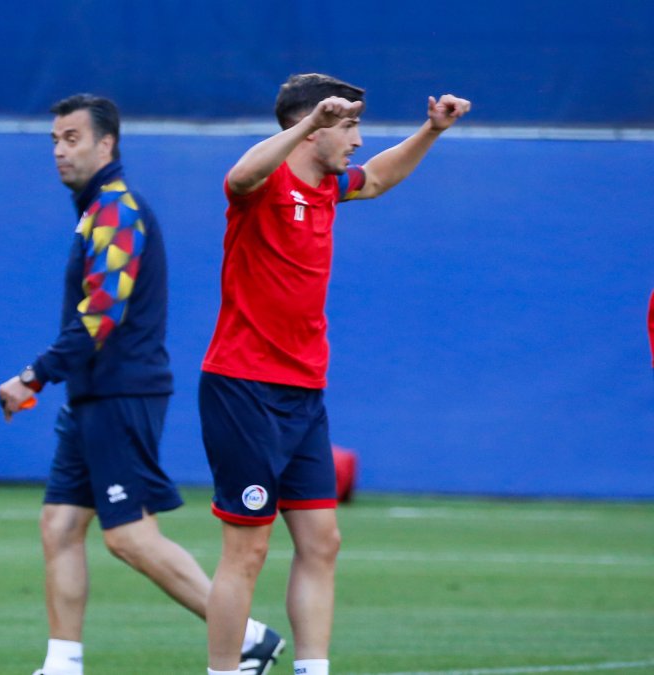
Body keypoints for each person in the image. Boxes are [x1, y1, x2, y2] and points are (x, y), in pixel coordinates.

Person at [0, 94, 285, 675]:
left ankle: (249, 636)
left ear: (107, 144)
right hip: (91, 394)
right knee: (59, 524)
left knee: (128, 537)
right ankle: (63, 662)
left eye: (71, 138)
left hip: (122, 393)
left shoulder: (116, 210)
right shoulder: (94, 210)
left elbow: (102, 313)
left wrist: (33, 375)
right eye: (54, 139)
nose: (59, 150)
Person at [198, 73, 471, 675]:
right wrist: (310, 124)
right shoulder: (264, 183)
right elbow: (237, 176)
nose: (357, 138)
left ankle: (312, 669)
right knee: (247, 550)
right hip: (245, 388)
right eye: (348, 125)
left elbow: (376, 178)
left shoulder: (327, 187)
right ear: (313, 126)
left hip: (303, 393)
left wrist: (431, 131)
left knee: (322, 543)